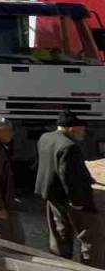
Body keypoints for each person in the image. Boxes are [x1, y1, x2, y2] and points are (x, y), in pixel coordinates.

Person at [36, 110, 104, 265]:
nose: (84, 132)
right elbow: (69, 178)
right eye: (82, 129)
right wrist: (78, 203)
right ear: (72, 128)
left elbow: (55, 165)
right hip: (71, 200)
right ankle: (91, 267)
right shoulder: (69, 146)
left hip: (52, 194)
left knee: (60, 234)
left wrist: (87, 176)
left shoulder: (46, 137)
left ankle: (60, 265)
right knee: (91, 237)